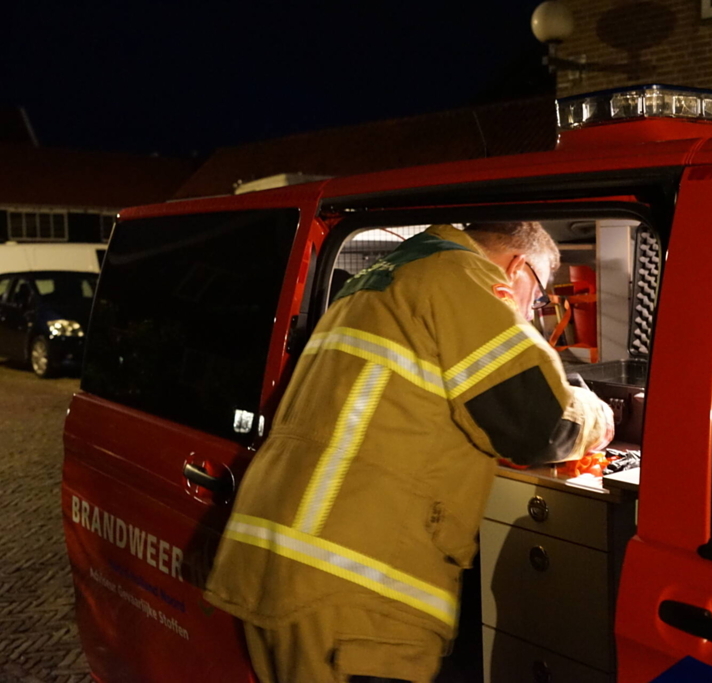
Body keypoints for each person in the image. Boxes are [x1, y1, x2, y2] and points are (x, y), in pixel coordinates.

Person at [204, 222, 615, 683]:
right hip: (355, 593)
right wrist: (601, 419)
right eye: (537, 299)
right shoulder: (463, 278)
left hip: (279, 563)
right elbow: (538, 423)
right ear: (518, 268)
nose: (531, 312)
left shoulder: (382, 278)